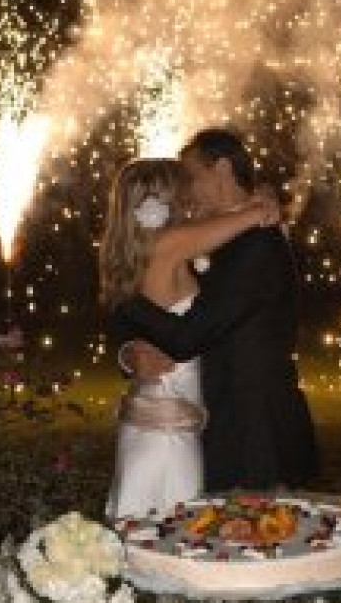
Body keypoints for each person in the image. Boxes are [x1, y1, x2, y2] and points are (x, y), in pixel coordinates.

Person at [109, 128, 319, 492]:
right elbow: (159, 295)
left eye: (192, 178)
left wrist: (124, 300)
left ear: (221, 168)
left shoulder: (257, 240)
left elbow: (189, 335)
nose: (187, 192)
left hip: (254, 430)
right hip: (206, 419)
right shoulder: (209, 234)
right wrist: (128, 351)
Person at [100, 157, 280, 519]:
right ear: (163, 202)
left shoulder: (145, 252)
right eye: (185, 190)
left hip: (155, 417)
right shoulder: (168, 244)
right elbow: (246, 219)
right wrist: (261, 207)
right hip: (169, 430)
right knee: (174, 525)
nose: (193, 196)